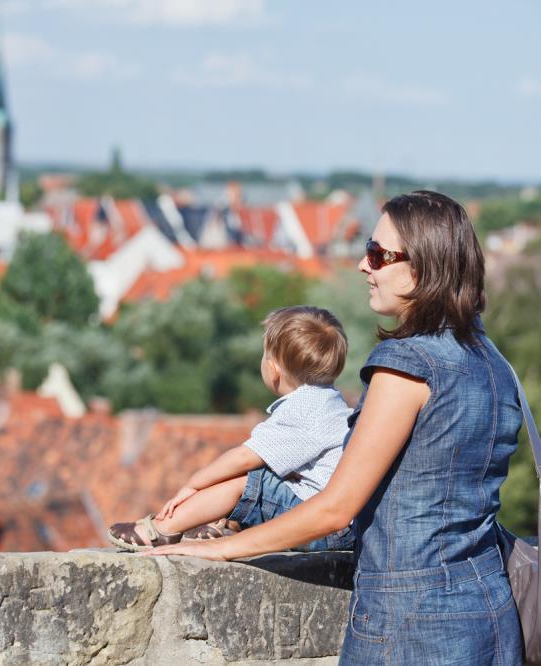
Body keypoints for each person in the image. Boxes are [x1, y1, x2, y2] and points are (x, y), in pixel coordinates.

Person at [145, 191, 524, 666]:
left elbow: (336, 508)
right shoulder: (491, 361)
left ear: (424, 268)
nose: (364, 266)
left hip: (411, 622)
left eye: (378, 255)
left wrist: (222, 549)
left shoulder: (407, 366)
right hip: (489, 607)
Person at [108, 305, 355, 554]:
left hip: (322, 528)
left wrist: (194, 484)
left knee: (247, 483)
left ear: (273, 368)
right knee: (268, 477)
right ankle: (225, 524)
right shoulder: (331, 402)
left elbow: (243, 458)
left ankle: (163, 529)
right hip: (338, 527)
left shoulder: (302, 409)